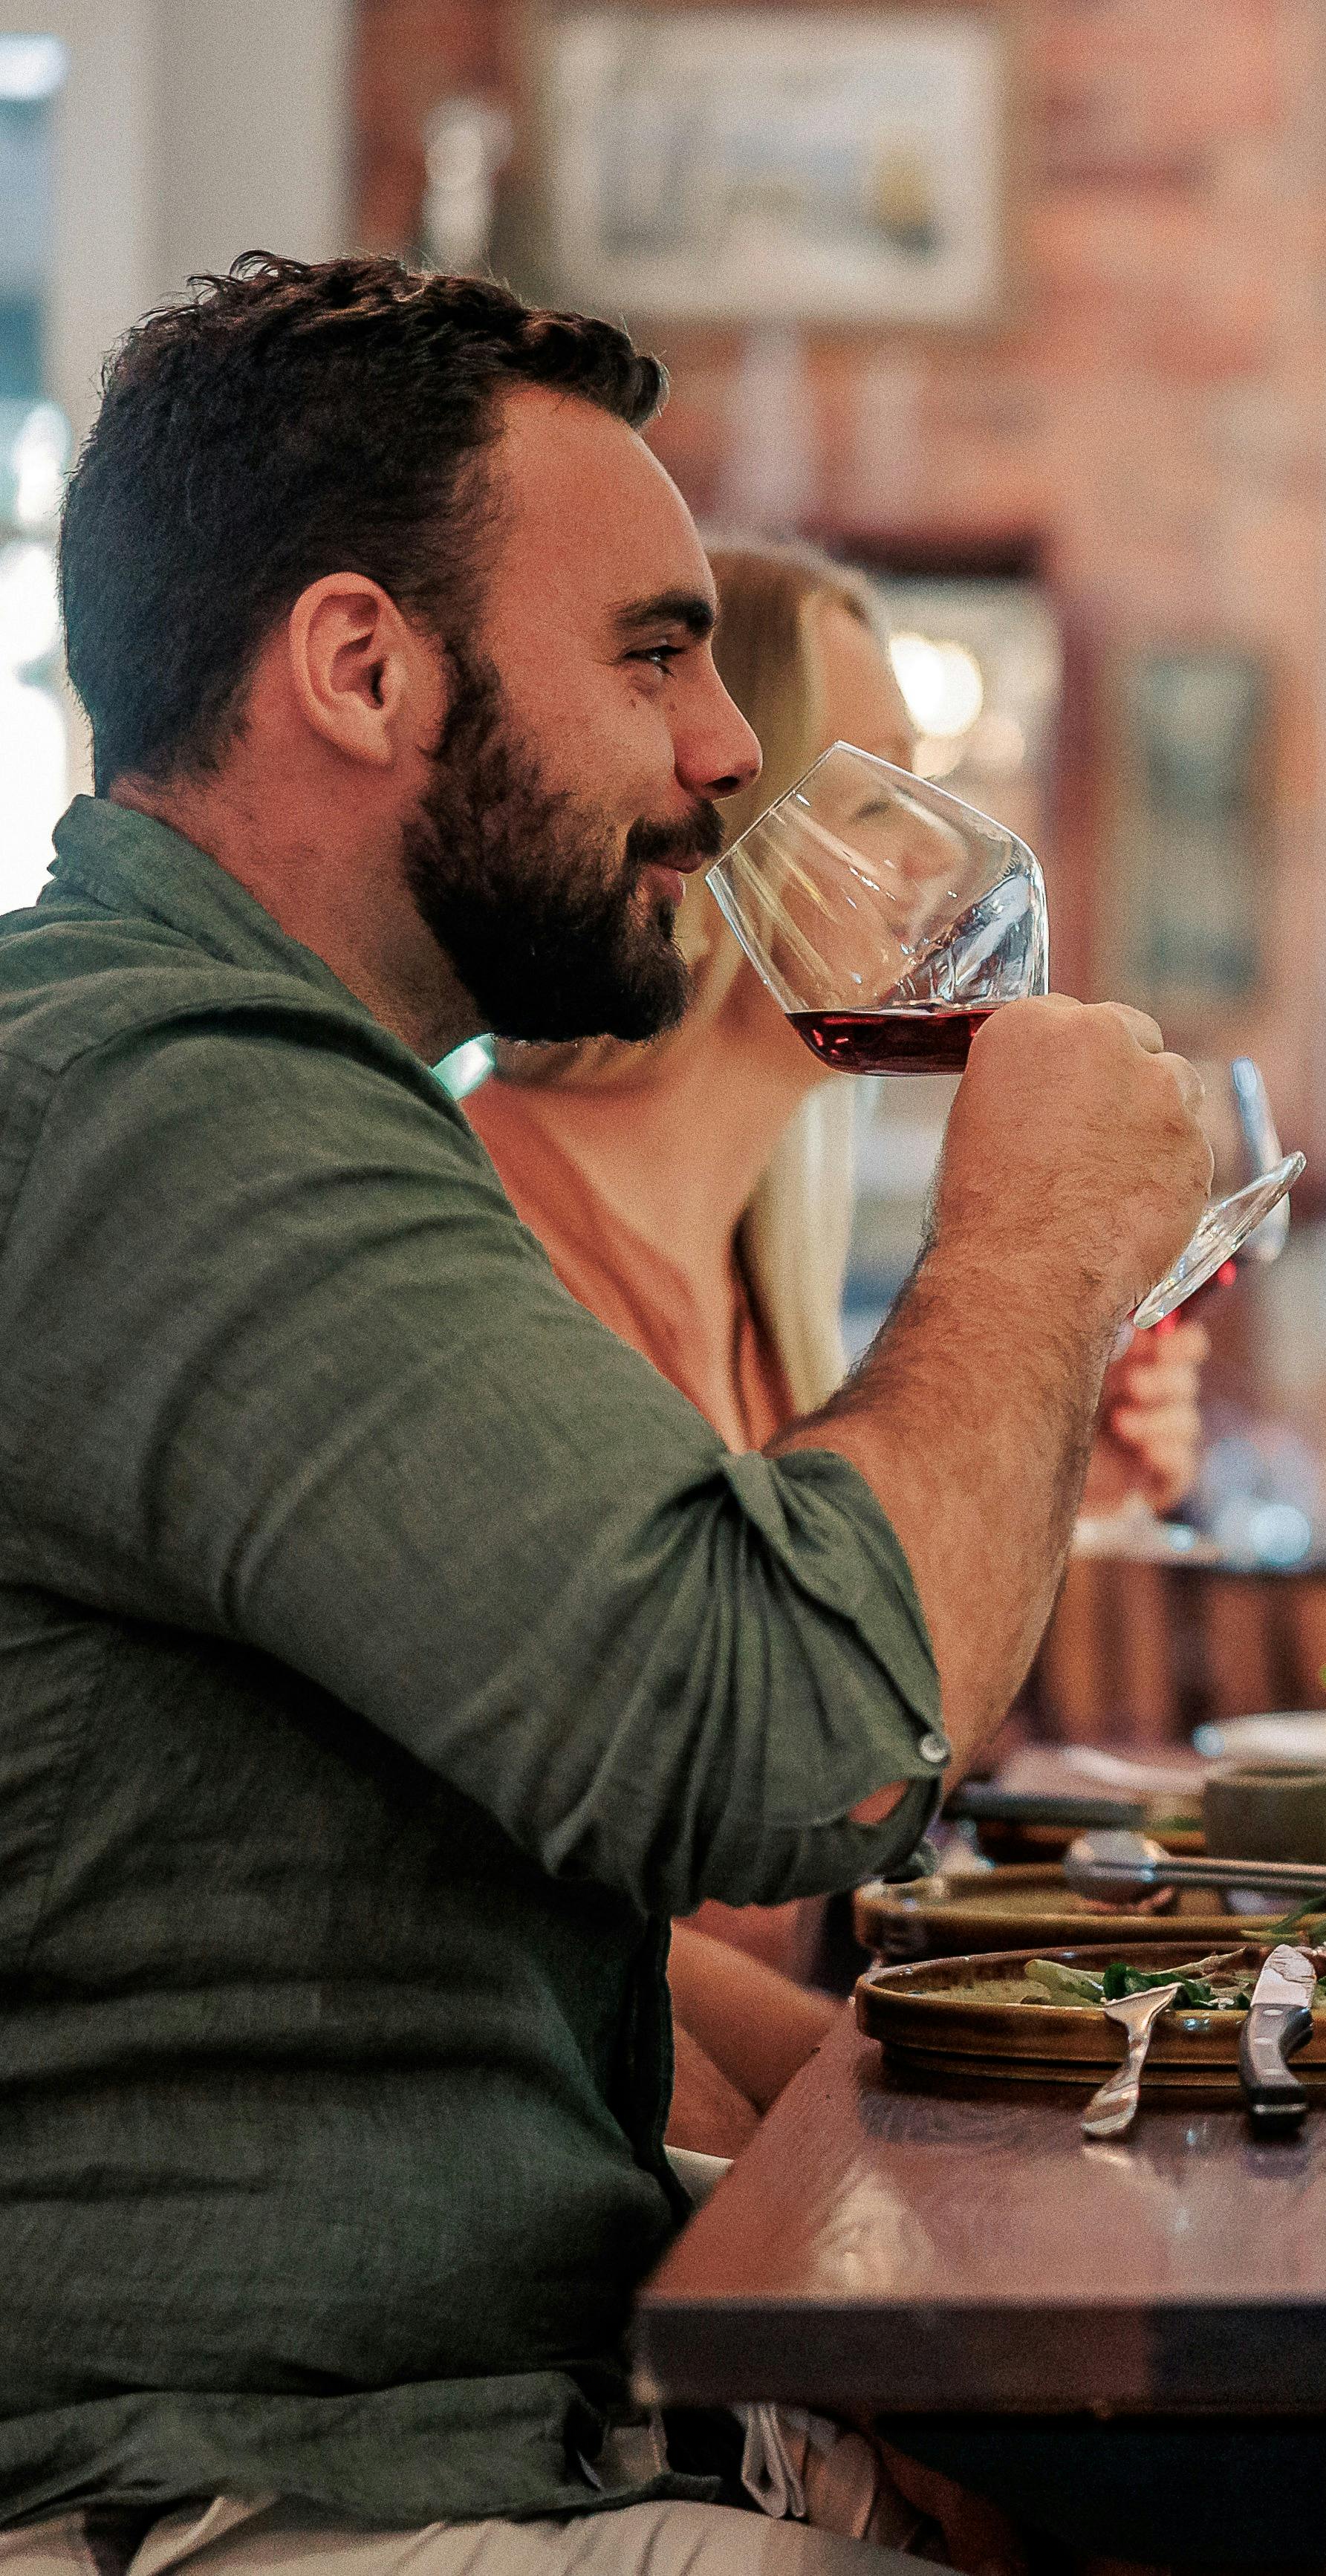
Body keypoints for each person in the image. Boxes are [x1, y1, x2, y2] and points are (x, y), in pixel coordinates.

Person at [0, 253, 1208, 2576]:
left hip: (442, 2400)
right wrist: (1036, 1240)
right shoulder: (177, 1111)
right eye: (653, 654)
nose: (730, 751)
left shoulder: (272, 1099)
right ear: (361, 666)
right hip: (236, 2489)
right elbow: (794, 1741)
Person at [464, 541, 1209, 2147]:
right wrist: (891, 2096)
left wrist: (1046, 1464)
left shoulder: (758, 1270)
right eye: (873, 802)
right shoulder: (491, 1233)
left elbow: (856, 1730)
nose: (942, 861)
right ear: (709, 834)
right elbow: (544, 1897)